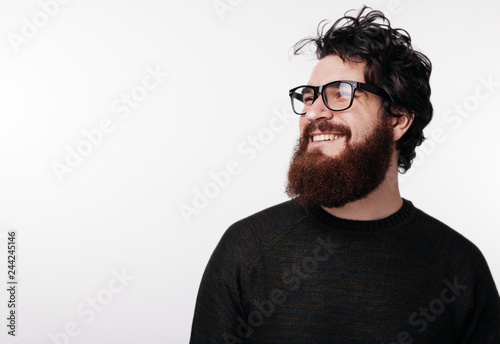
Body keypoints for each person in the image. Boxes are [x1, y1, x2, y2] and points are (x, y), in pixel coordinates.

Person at [189, 6, 500, 343]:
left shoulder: (459, 267)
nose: (314, 112)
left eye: (340, 93)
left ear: (397, 120)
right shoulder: (246, 249)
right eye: (308, 97)